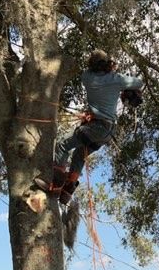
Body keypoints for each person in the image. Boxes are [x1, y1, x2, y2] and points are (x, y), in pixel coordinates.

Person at [35, 49, 143, 204]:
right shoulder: (116, 79)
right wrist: (125, 87)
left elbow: (96, 81)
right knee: (79, 154)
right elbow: (138, 83)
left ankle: (56, 184)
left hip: (95, 127)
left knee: (62, 145)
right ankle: (67, 190)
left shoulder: (87, 77)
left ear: (92, 64)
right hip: (108, 131)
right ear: (107, 64)